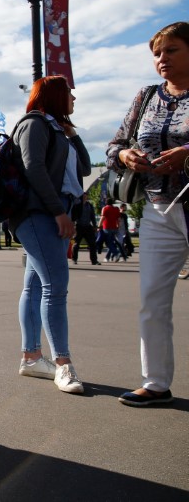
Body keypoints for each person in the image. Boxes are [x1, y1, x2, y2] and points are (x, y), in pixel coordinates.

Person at [107, 21, 189, 407]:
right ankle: (155, 382)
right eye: (157, 53)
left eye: (171, 50)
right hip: (157, 208)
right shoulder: (147, 96)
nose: (162, 59)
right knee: (152, 299)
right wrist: (127, 155)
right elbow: (116, 145)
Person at [9, 75, 91, 395]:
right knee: (55, 287)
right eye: (69, 94)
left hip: (55, 212)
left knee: (34, 286)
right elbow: (33, 168)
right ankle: (62, 364)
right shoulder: (34, 124)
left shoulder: (59, 130)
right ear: (55, 96)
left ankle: (31, 358)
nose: (73, 99)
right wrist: (58, 211)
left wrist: (74, 135)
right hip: (38, 214)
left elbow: (83, 168)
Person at [71, 194, 100, 266]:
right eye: (83, 196)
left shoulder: (89, 205)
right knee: (76, 244)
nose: (85, 197)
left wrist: (95, 226)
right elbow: (73, 216)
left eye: (86, 196)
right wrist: (73, 226)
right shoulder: (77, 205)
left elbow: (92, 216)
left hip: (87, 226)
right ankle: (74, 259)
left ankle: (94, 260)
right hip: (79, 226)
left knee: (92, 244)